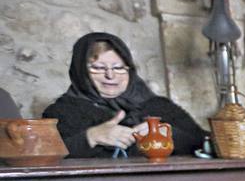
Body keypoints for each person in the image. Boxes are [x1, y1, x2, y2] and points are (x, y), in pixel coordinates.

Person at [43, 32, 206, 158]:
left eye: (119, 67)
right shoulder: (62, 112)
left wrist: (172, 135)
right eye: (99, 68)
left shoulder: (159, 106)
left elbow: (207, 144)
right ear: (80, 71)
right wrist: (91, 137)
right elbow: (41, 156)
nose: (110, 75)